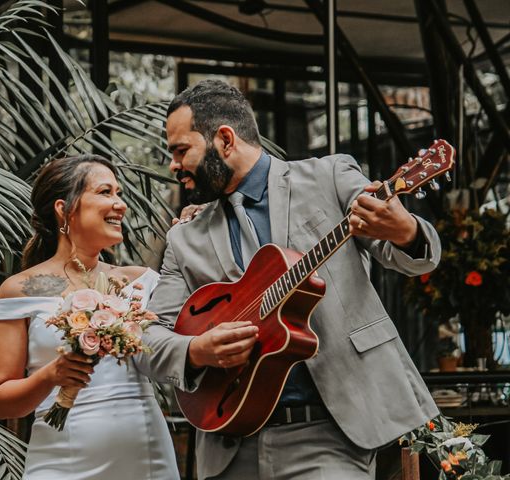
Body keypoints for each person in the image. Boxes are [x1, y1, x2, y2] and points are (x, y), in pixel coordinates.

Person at [135, 79, 442, 480]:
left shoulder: (329, 176)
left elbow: (413, 257)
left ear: (225, 140)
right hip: (229, 444)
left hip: (332, 435)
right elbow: (146, 338)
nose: (174, 166)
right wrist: (196, 350)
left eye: (181, 151)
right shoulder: (184, 238)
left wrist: (405, 230)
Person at [0, 154, 180, 480]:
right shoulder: (19, 290)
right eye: (106, 192)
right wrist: (52, 375)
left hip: (145, 453)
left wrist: (193, 233)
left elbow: (185, 346)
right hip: (61, 459)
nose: (120, 204)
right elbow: (3, 403)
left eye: (119, 193)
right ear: (64, 209)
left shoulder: (142, 282)